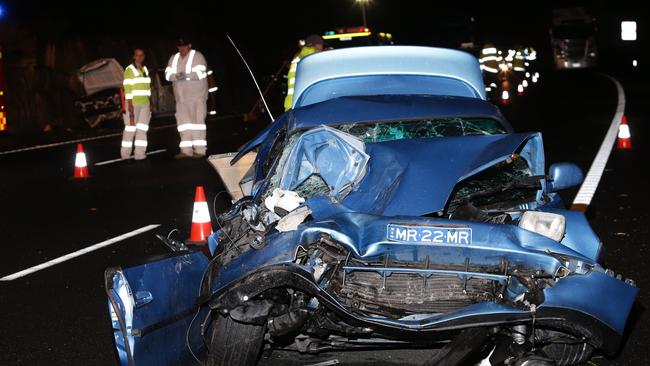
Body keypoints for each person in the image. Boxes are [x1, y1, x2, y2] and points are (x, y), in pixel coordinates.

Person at [165, 37, 209, 158]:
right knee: (183, 124)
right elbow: (168, 75)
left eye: (184, 46)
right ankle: (186, 150)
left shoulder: (198, 56)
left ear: (189, 45)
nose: (181, 49)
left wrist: (183, 76)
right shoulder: (173, 59)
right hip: (181, 99)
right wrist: (179, 76)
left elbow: (200, 73)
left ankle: (200, 150)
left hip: (197, 97)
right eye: (179, 46)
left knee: (197, 123)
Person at [121, 48, 152, 160]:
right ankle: (125, 155)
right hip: (133, 103)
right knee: (130, 129)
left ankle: (140, 154)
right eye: (137, 55)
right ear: (134, 56)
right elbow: (127, 88)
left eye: (141, 55)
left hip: (145, 104)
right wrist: (130, 104)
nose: (139, 57)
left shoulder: (144, 69)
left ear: (143, 57)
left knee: (142, 129)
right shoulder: (129, 70)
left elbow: (148, 88)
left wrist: (150, 103)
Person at [283, 34, 324, 111]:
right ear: (318, 45)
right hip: (305, 105)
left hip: (291, 104)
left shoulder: (298, 57)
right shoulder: (315, 57)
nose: (322, 48)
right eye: (322, 46)